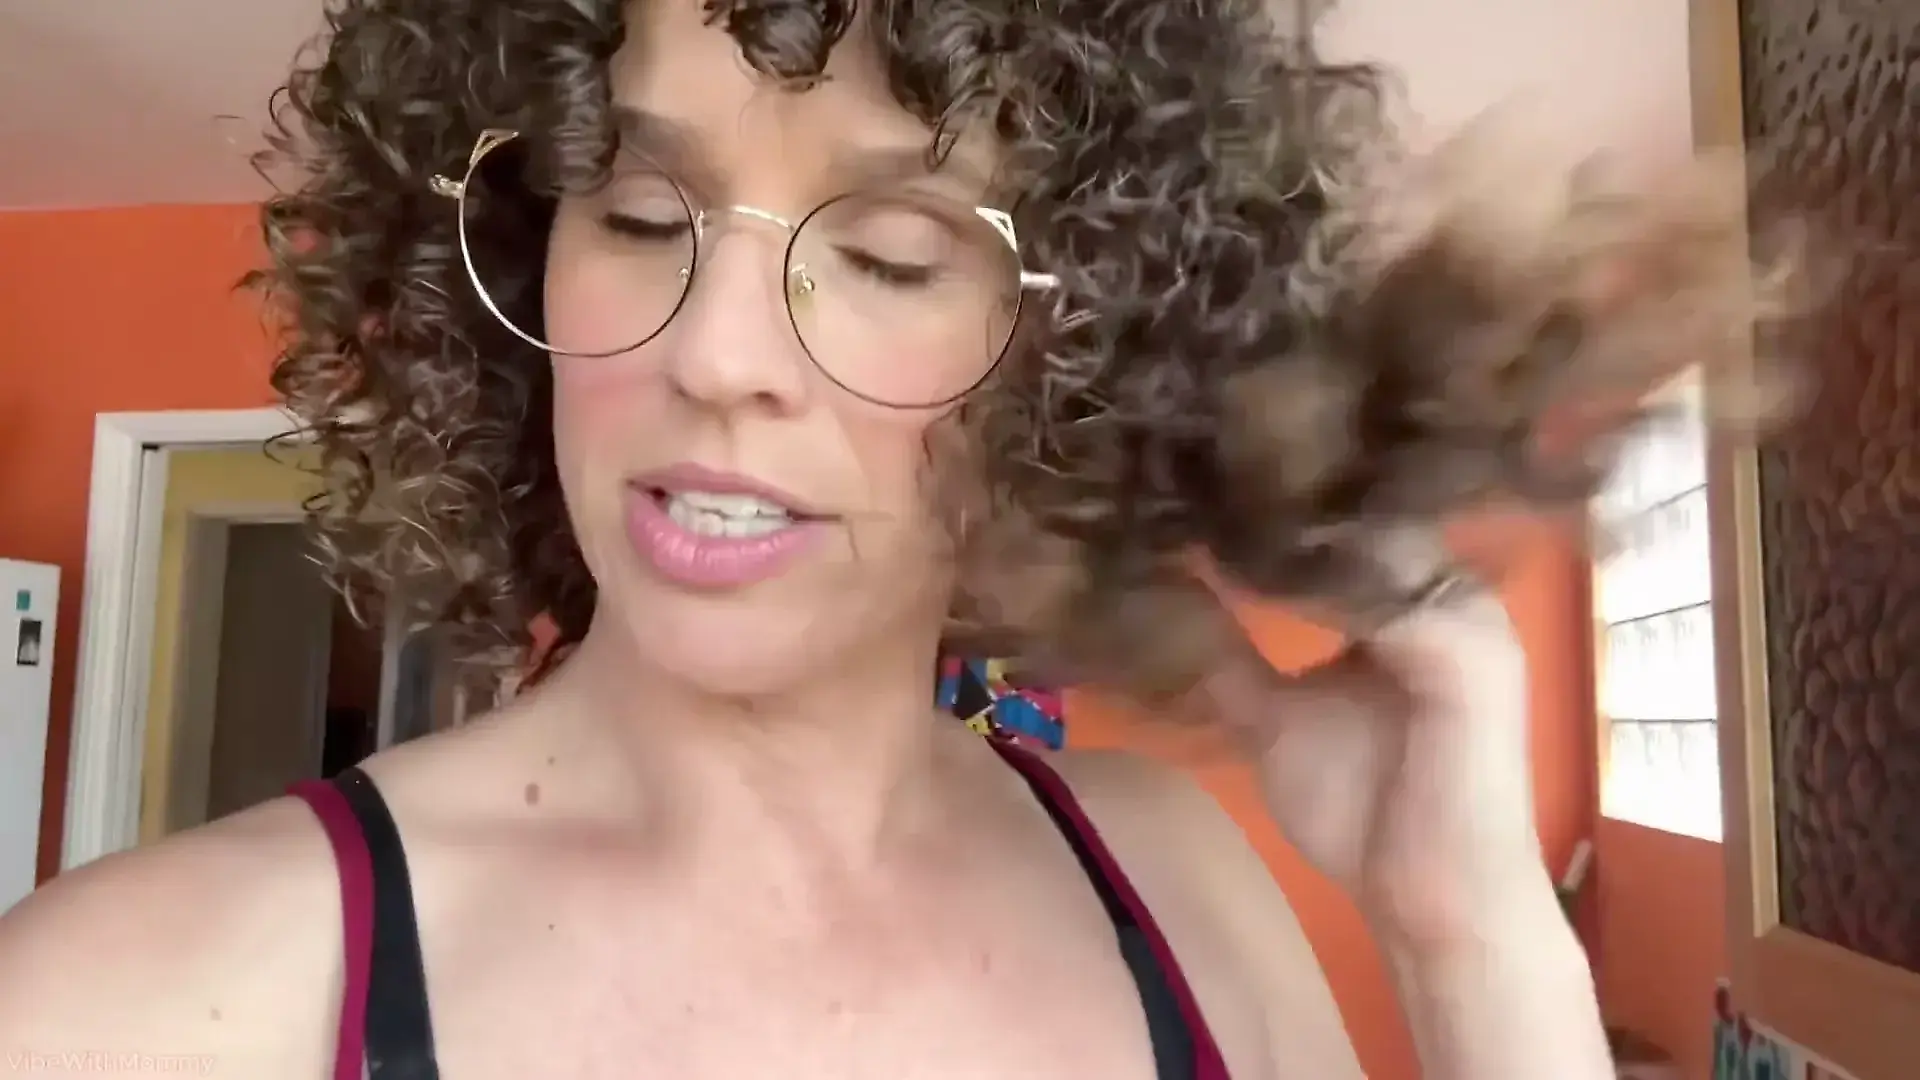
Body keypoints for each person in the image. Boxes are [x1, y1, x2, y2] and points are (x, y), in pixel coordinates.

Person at [0, 1, 1660, 1076]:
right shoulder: (137, 1004)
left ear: (1087, 345)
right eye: (638, 213)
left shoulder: (1180, 885)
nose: (715, 352)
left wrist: (1470, 944)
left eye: (889, 254)